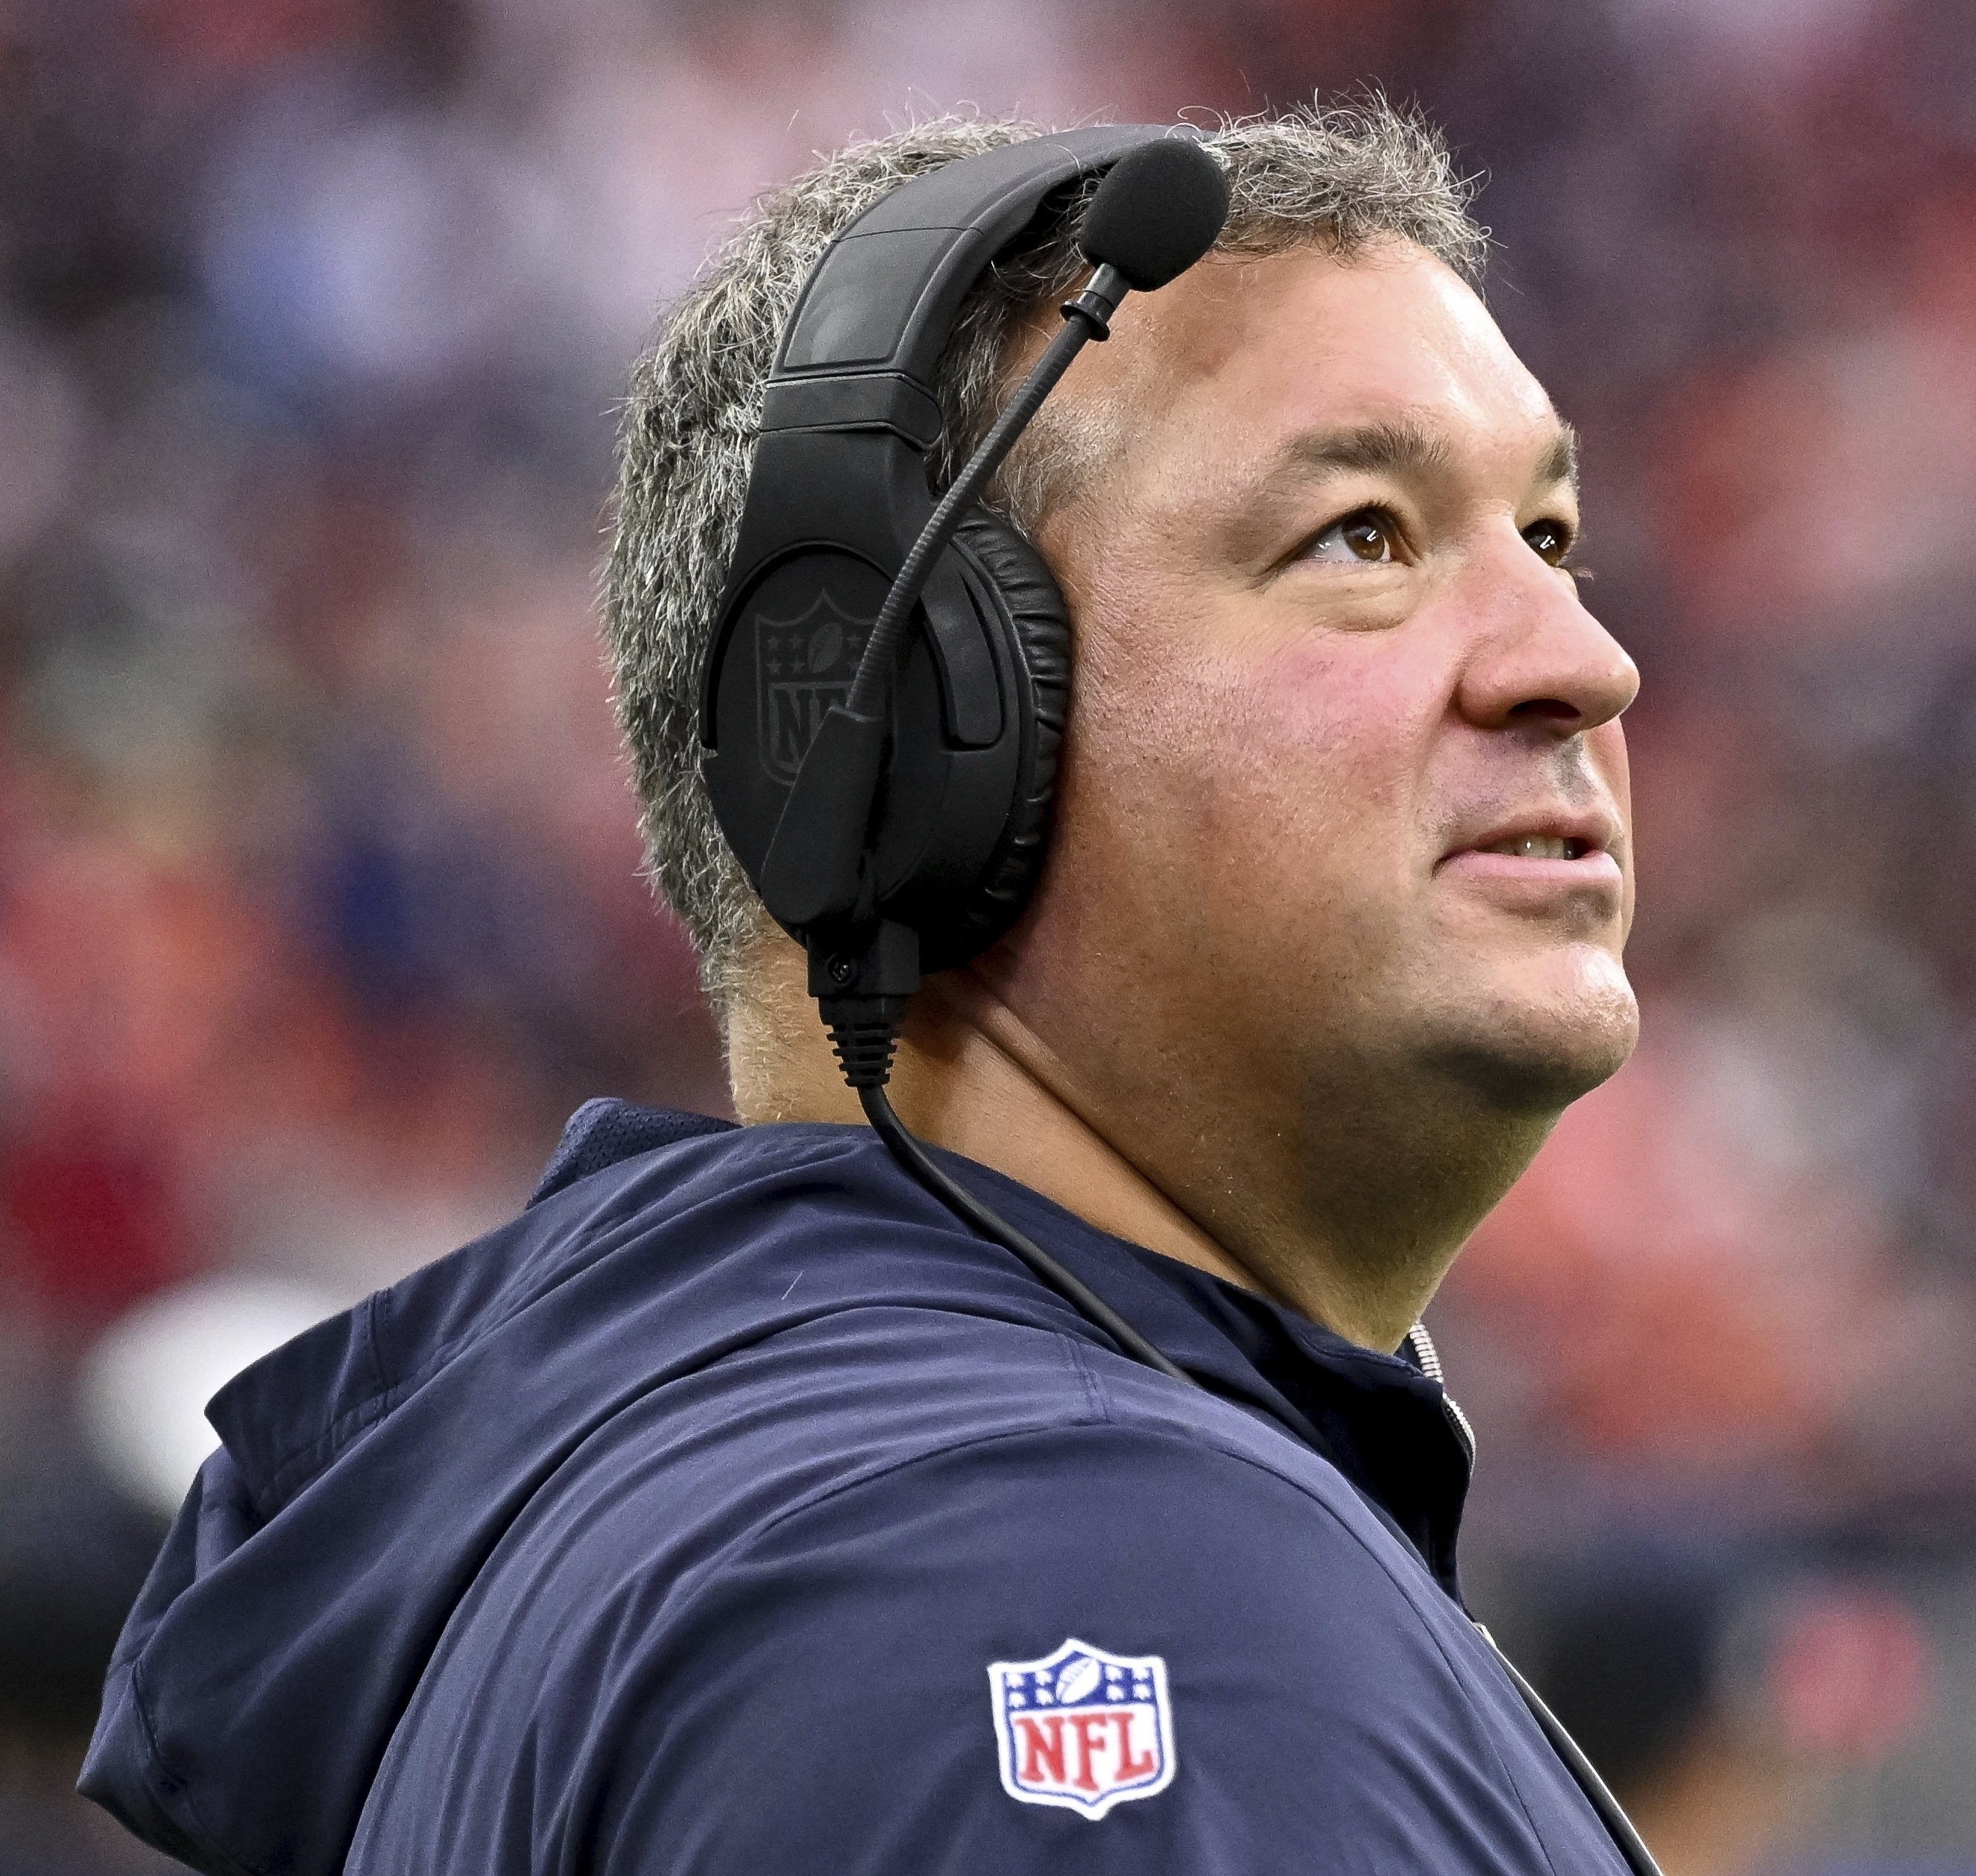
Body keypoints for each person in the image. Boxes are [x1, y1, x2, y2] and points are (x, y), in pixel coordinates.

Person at [78, 101, 1645, 1875]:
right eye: (1359, 536)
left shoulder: (755, 1512)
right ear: (888, 732)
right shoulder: (1068, 1575)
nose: (1579, 662)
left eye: (1547, 535)